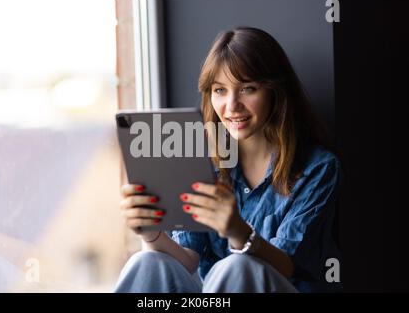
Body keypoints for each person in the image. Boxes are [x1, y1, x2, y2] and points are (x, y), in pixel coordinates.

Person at [114, 27, 342, 293]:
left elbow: (289, 266)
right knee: (146, 261)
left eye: (247, 88)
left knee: (238, 266)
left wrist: (238, 231)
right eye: (220, 90)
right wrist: (151, 233)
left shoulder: (318, 169)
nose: (232, 105)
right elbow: (189, 260)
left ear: (275, 92)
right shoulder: (203, 162)